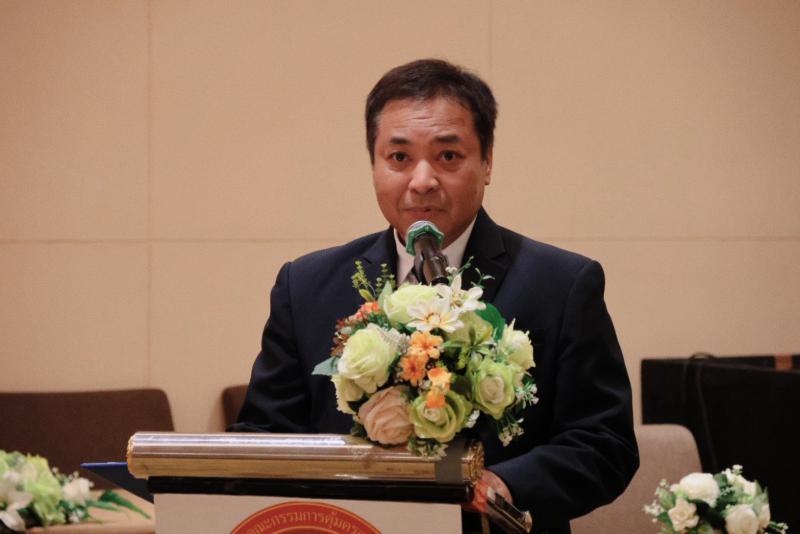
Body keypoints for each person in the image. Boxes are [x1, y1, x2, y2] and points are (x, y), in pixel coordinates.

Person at [232, 59, 639, 533]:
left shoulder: (561, 284)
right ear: (374, 164)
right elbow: (264, 438)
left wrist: (502, 485)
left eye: (448, 156)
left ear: (487, 162)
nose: (421, 180)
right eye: (399, 157)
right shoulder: (306, 286)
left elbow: (604, 443)